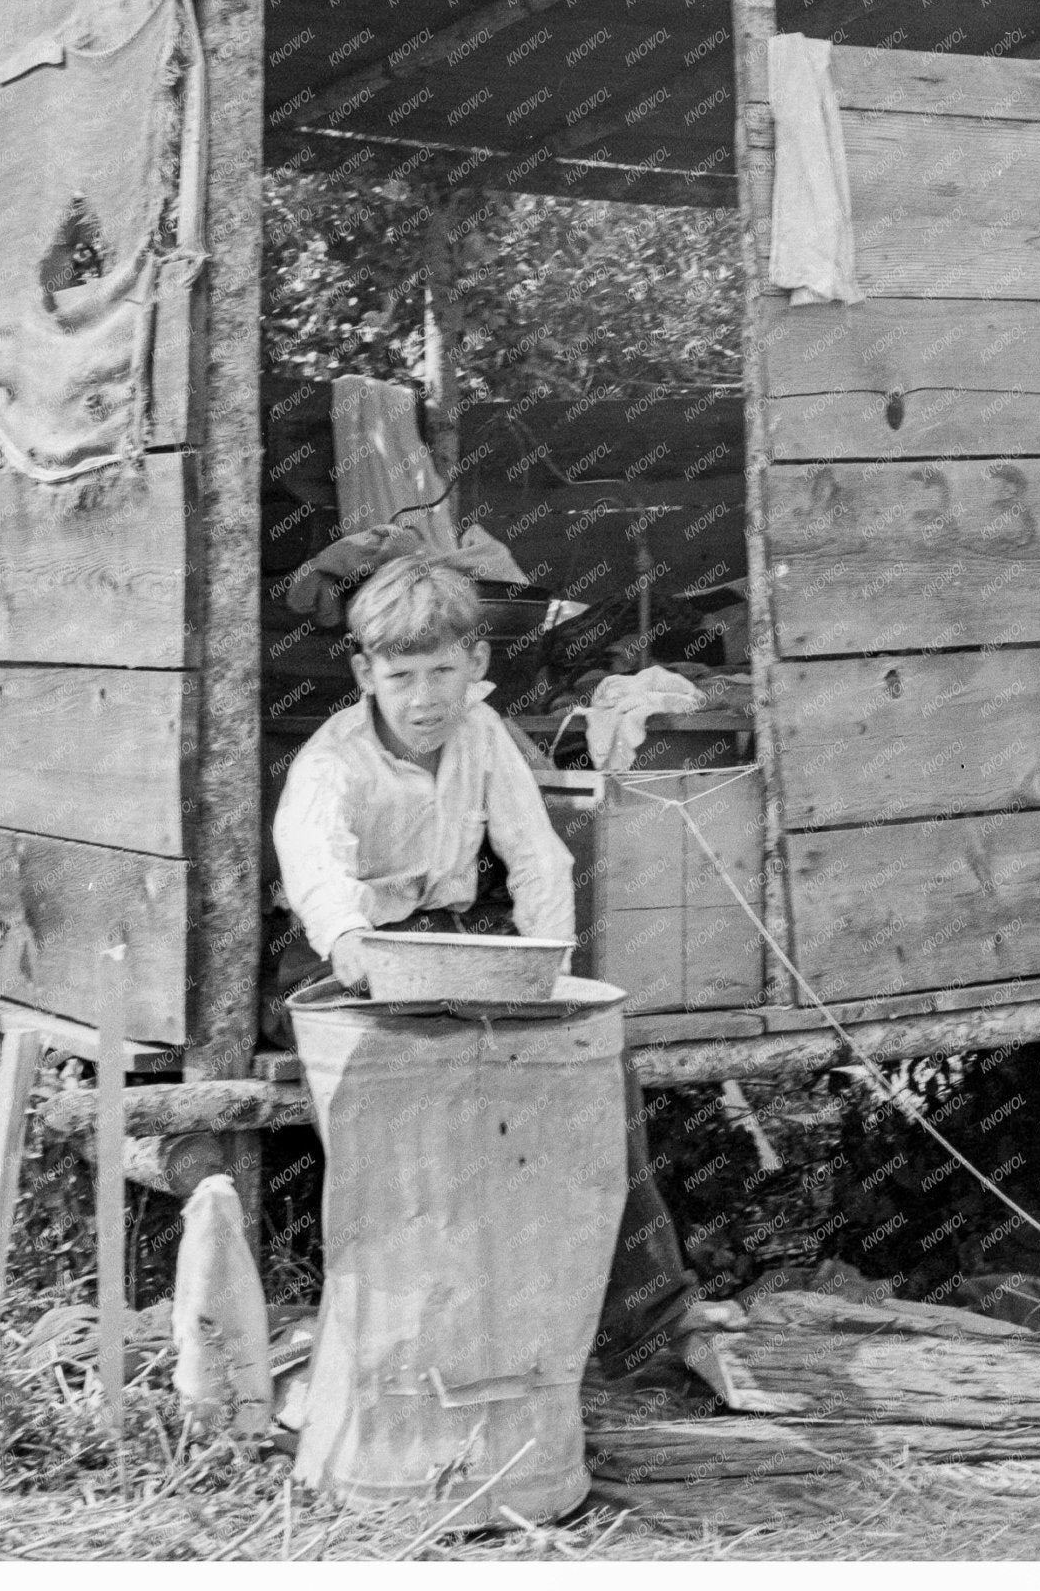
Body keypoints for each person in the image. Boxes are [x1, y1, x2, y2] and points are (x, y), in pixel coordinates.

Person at [270, 554, 731, 1372]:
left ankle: (651, 1325)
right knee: (423, 1090)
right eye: (402, 675)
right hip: (340, 957)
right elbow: (322, 890)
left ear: (476, 664)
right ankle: (421, 1340)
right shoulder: (330, 763)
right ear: (364, 672)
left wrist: (547, 988)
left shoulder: (482, 735)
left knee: (591, 1064)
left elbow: (539, 862)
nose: (424, 698)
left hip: (454, 939)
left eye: (443, 671)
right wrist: (372, 966)